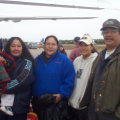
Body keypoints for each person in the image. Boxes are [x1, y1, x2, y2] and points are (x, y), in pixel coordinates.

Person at [81, 18, 120, 120]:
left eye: (113, 31)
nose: (108, 35)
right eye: (105, 32)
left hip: (111, 115)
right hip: (94, 111)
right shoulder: (100, 55)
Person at [32, 35, 75, 120]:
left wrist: (62, 94)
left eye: (53, 44)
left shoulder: (64, 60)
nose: (50, 46)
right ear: (44, 45)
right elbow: (31, 78)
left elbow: (70, 79)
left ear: (57, 46)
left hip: (55, 102)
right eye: (48, 44)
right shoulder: (37, 60)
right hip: (38, 101)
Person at [0, 37, 35, 120]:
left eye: (19, 46)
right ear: (8, 47)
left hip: (18, 109)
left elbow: (21, 81)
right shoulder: (4, 61)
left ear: (22, 48)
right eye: (13, 46)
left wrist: (2, 89)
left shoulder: (26, 62)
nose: (16, 48)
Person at [68, 35, 98, 120]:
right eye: (81, 45)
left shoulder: (96, 60)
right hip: (71, 104)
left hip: (84, 106)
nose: (83, 48)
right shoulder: (77, 60)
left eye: (86, 45)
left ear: (92, 47)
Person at [0, 39, 16, 116]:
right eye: (13, 46)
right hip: (3, 78)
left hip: (4, 79)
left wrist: (4, 61)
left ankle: (6, 106)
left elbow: (10, 63)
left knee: (8, 89)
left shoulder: (3, 56)